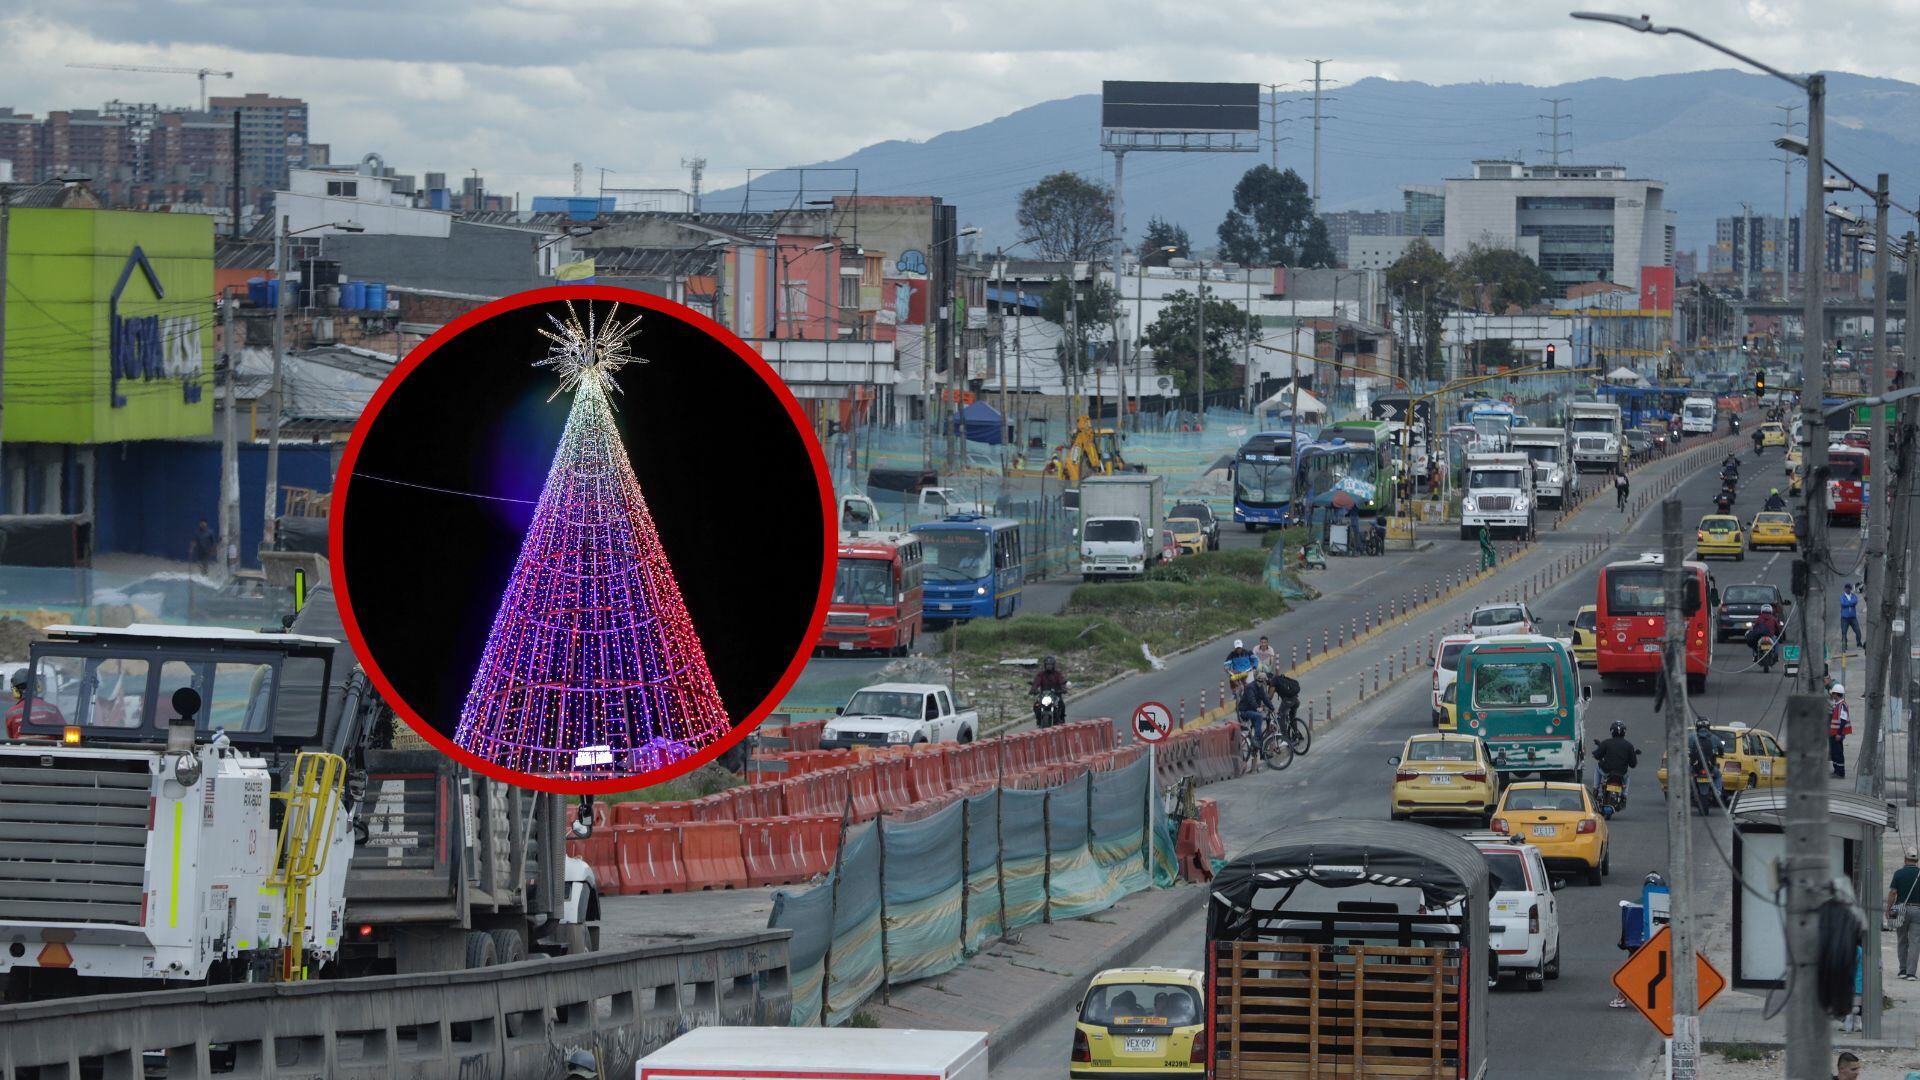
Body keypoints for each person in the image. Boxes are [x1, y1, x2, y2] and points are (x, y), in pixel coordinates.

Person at [4, 667, 64, 740]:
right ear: (38, 686)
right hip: (48, 747)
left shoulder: (11, 714)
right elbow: (63, 734)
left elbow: (12, 738)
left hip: (22, 747)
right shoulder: (52, 709)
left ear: (16, 691)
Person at [1889, 847, 1920, 981]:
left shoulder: (1898, 873)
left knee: (1901, 940)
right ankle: (1911, 973)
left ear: (1905, 859)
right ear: (1917, 860)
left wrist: (1888, 910)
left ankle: (1902, 970)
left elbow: (1893, 893)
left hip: (1899, 909)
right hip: (1917, 910)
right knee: (1915, 942)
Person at [1592, 719, 1639, 799]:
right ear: (1624, 732)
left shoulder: (1606, 743)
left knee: (1597, 768)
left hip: (1606, 772)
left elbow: (1597, 756)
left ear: (1612, 731)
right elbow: (1633, 764)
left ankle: (1595, 789)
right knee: (1628, 775)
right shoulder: (1629, 746)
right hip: (1622, 773)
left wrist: (1597, 752)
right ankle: (1624, 794)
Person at [1235, 672, 1273, 755]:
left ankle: (1262, 753)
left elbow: (1265, 699)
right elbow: (1251, 699)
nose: (1265, 683)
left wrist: (1272, 708)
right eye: (1265, 681)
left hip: (1253, 711)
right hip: (1245, 711)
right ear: (1262, 681)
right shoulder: (1250, 687)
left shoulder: (1260, 687)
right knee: (1259, 716)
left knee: (1261, 730)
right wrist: (1257, 708)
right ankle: (1256, 739)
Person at [1828, 682, 1852, 778]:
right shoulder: (1837, 704)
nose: (1832, 695)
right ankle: (1836, 770)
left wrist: (1839, 734)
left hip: (1837, 734)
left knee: (1838, 753)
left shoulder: (1842, 705)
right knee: (1834, 753)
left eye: (1833, 693)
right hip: (1833, 733)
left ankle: (1840, 773)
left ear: (1836, 694)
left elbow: (1843, 720)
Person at [1839, 584, 1863, 650]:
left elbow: (1855, 601)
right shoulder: (1842, 596)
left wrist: (1848, 602)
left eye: (1849, 588)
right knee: (1844, 633)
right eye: (1846, 588)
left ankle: (1859, 643)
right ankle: (1844, 646)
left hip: (1853, 617)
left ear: (1850, 589)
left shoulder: (1853, 596)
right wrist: (1851, 603)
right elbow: (1843, 604)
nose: (1848, 589)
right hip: (1844, 618)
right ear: (1844, 589)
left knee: (1858, 631)